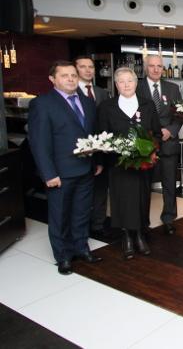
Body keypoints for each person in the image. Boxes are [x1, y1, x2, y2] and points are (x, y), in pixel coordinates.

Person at [28, 60, 103, 275]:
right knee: (60, 216)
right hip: (59, 173)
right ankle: (63, 256)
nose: (70, 79)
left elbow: (93, 134)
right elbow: (39, 142)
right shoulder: (42, 103)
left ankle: (81, 248)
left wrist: (97, 161)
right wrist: (48, 173)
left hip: (85, 169)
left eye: (73, 75)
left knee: (81, 213)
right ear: (52, 79)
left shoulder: (87, 102)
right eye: (64, 75)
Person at [98, 67, 161, 260]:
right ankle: (126, 236)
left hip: (143, 164)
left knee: (142, 198)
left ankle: (140, 234)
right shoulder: (106, 107)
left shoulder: (147, 105)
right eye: (121, 81)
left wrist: (149, 150)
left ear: (136, 83)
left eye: (130, 81)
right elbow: (102, 136)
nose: (126, 85)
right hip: (118, 164)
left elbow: (157, 133)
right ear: (116, 85)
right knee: (121, 199)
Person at [136, 55, 183, 235]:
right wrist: (149, 134)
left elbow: (180, 114)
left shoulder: (173, 88)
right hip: (146, 144)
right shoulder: (136, 87)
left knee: (170, 184)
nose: (156, 69)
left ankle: (169, 218)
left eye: (159, 66)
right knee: (144, 185)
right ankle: (142, 221)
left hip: (168, 143)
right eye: (152, 66)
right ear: (145, 67)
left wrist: (170, 130)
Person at [75, 55, 110, 238]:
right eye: (83, 67)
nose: (88, 70)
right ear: (76, 69)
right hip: (80, 149)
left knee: (100, 189)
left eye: (91, 67)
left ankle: (98, 223)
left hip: (101, 148)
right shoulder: (71, 92)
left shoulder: (101, 92)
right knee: (81, 191)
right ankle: (81, 227)